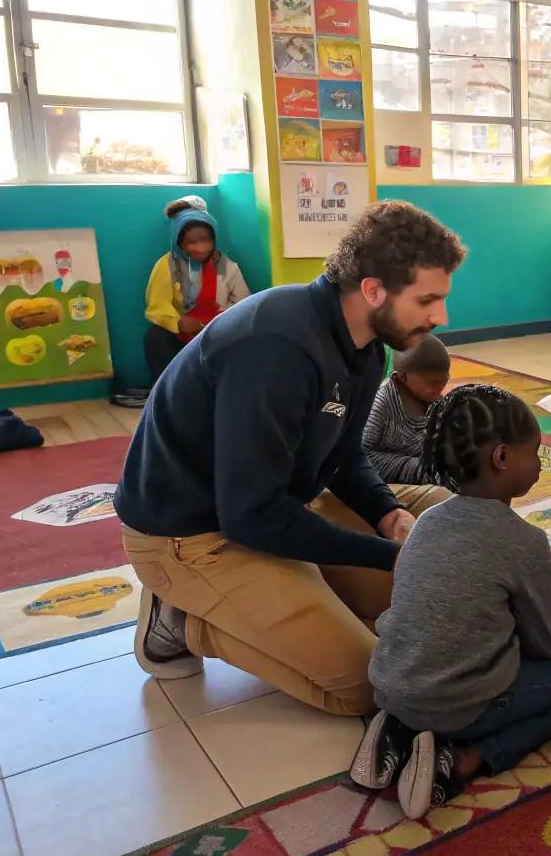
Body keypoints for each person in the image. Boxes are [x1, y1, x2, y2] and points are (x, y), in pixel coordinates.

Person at [115, 201, 465, 716]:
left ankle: (294, 599)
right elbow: (248, 516)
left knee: (438, 518)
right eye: (428, 300)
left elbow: (345, 453)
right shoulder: (275, 346)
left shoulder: (367, 343)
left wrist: (387, 514)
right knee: (376, 686)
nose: (441, 318)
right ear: (372, 289)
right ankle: (184, 621)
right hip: (192, 537)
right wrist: (388, 556)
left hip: (273, 506)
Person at [351, 384, 551, 820]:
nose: (540, 463)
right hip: (458, 707)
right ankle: (464, 760)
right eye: (535, 452)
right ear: (501, 457)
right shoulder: (524, 541)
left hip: (388, 686)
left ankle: (396, 729)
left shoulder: (425, 520)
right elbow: (540, 640)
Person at [144, 196, 251, 383]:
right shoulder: (167, 265)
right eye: (191, 242)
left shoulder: (226, 265)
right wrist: (179, 322)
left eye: (205, 240)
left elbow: (243, 303)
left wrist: (219, 324)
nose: (200, 248)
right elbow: (157, 305)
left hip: (217, 332)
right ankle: (167, 393)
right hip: (181, 334)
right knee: (155, 337)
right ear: (178, 242)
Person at [363, 334, 451, 484]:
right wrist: (417, 469)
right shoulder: (381, 402)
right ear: (401, 378)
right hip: (383, 483)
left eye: (444, 381)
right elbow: (362, 456)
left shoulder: (439, 405)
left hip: (426, 476)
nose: (439, 389)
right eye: (433, 383)